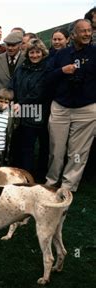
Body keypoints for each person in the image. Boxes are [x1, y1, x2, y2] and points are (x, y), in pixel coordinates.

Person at [45, 19, 96, 192]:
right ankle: (51, 183)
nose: (87, 34)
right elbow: (47, 78)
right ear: (73, 34)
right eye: (83, 31)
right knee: (56, 149)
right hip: (61, 106)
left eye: (89, 30)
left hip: (86, 109)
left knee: (78, 153)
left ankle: (68, 186)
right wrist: (62, 71)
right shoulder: (60, 54)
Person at [10, 38, 51, 182]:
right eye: (32, 52)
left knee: (40, 148)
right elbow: (13, 85)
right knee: (23, 147)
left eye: (37, 52)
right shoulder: (22, 68)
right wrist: (12, 99)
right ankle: (24, 177)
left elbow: (40, 92)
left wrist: (21, 103)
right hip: (21, 112)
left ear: (42, 52)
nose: (34, 55)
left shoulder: (47, 68)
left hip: (39, 112)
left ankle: (39, 178)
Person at [0, 31, 25, 105]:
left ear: (20, 45)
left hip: (18, 105)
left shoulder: (26, 59)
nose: (10, 48)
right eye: (8, 45)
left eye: (13, 45)